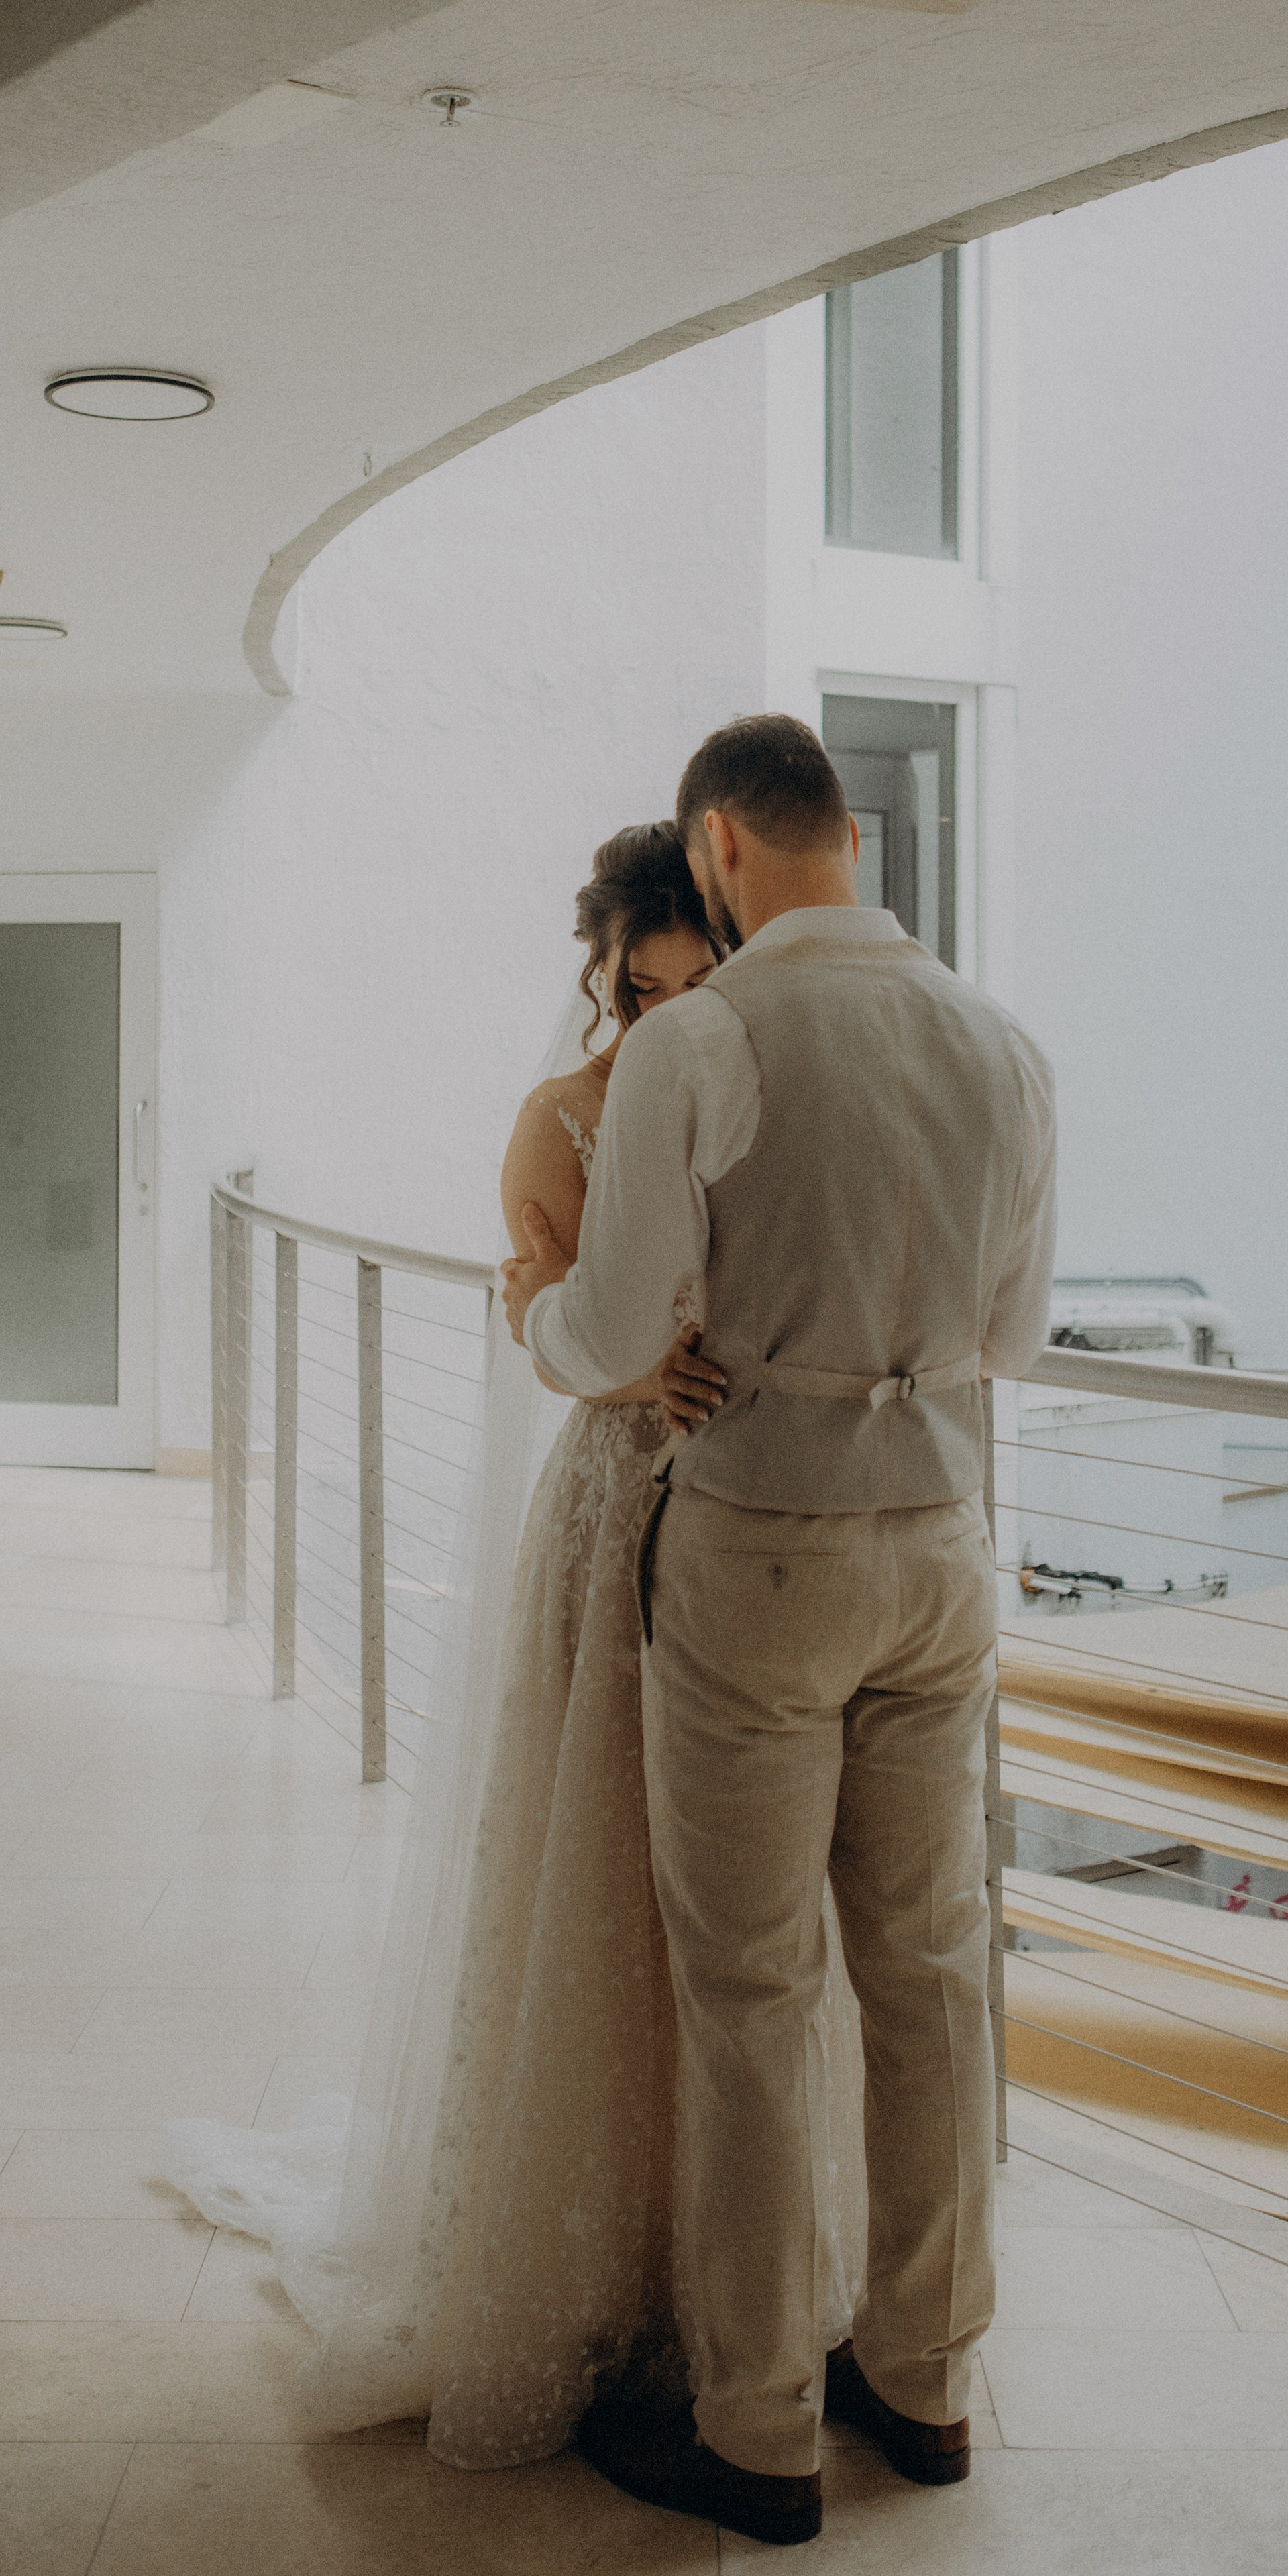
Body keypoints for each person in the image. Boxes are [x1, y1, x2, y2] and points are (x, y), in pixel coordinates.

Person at [159, 822, 866, 2473]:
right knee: (599, 1868)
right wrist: (641, 1384)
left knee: (748, 1909)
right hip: (619, 1503)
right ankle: (591, 2267)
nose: (666, 1005)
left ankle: (741, 2283)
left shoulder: (768, 1090)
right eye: (639, 985)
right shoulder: (557, 1118)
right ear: (605, 981)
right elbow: (536, 1317)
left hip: (759, 1510)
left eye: (695, 975)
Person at [504, 714, 1057, 2548]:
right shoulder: (1001, 1039)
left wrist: (540, 1319)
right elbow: (1017, 1334)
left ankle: (755, 2431)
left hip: (761, 1545)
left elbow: (612, 1329)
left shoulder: (709, 1039)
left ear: (720, 846)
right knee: (934, 1969)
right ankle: (929, 2379)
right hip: (942, 1542)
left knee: (754, 1994)